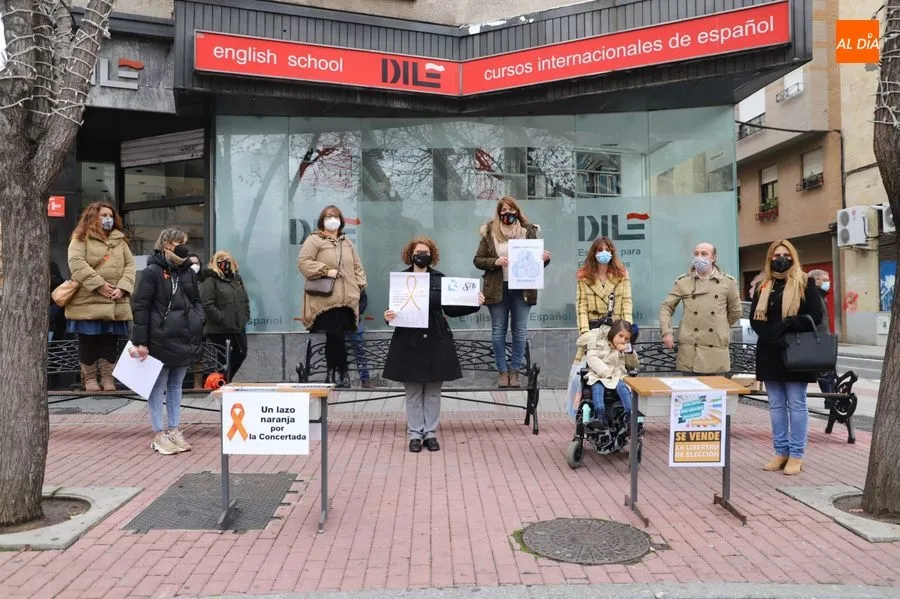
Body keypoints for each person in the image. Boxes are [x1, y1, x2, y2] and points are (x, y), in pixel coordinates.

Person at [383, 237, 484, 452]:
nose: (422, 255)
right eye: (418, 251)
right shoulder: (401, 279)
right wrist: (388, 316)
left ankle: (430, 433)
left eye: (426, 251)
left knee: (433, 391)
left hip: (436, 340)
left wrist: (474, 303)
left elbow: (451, 308)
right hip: (408, 341)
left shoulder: (439, 279)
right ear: (410, 254)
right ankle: (414, 434)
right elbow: (393, 310)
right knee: (412, 391)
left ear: (432, 255)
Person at [750, 239, 824, 476]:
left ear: (793, 256)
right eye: (775, 254)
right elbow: (754, 319)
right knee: (776, 405)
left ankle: (796, 455)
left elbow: (815, 316)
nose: (780, 258)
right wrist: (772, 336)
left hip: (795, 351)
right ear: (769, 258)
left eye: (785, 254)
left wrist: (788, 323)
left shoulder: (805, 282)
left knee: (796, 403)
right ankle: (780, 451)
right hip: (770, 350)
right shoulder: (764, 285)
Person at [131, 228, 205, 455]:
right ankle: (158, 433)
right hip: (160, 338)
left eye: (185, 242)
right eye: (178, 243)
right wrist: (140, 341)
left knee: (175, 385)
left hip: (184, 336)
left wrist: (198, 320)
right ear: (166, 245)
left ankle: (174, 430)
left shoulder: (187, 272)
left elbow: (196, 300)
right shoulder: (152, 272)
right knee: (158, 386)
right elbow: (141, 306)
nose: (183, 247)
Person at [473, 196, 551, 387]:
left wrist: (544, 259)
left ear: (517, 210)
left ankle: (515, 370)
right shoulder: (489, 232)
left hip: (523, 288)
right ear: (499, 212)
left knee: (520, 331)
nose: (508, 213)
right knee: (498, 330)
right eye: (504, 209)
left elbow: (536, 263)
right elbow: (477, 260)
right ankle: (502, 371)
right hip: (497, 288)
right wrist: (494, 262)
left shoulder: (528, 231)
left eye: (511, 209)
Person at [65, 202, 136, 392]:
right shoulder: (80, 238)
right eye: (104, 215)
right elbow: (76, 263)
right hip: (88, 299)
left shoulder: (120, 240)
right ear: (93, 216)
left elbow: (130, 266)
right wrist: (99, 285)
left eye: (110, 215)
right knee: (88, 339)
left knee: (110, 340)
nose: (108, 218)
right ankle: (89, 379)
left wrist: (123, 287)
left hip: (115, 299)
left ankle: (107, 378)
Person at [298, 205, 367, 388]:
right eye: (329, 216)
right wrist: (325, 271)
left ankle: (335, 373)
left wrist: (360, 285)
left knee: (338, 336)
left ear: (341, 220)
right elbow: (303, 263)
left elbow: (357, 266)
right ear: (322, 220)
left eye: (336, 216)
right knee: (334, 335)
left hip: (346, 299)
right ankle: (338, 373)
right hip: (326, 300)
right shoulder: (314, 240)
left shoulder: (346, 242)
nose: (332, 219)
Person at [659, 242, 742, 374]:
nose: (699, 257)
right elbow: (666, 307)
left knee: (716, 394)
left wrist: (719, 326)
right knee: (688, 393)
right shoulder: (683, 282)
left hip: (716, 350)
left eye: (704, 254)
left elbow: (736, 312)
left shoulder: (728, 282)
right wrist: (667, 332)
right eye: (696, 254)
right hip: (690, 351)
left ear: (713, 258)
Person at [576, 319, 638, 432]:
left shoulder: (625, 349)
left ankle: (630, 418)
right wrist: (605, 373)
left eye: (626, 339)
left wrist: (629, 352)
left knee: (623, 388)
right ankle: (600, 418)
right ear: (613, 333)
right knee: (597, 387)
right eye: (620, 336)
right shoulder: (600, 342)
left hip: (618, 376)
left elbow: (633, 364)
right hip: (599, 375)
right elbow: (592, 358)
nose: (623, 340)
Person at [200, 250, 251, 381]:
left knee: (242, 354)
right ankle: (222, 383)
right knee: (224, 359)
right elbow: (207, 304)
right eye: (221, 259)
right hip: (220, 329)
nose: (224, 262)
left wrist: (245, 316)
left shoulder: (236, 279)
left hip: (238, 327)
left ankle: (224, 381)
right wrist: (222, 317)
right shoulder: (210, 280)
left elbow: (244, 299)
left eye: (227, 259)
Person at [576, 236, 633, 336]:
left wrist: (627, 329)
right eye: (600, 250)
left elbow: (626, 303)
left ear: (612, 253)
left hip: (616, 329)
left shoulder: (621, 275)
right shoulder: (584, 276)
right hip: (593, 329)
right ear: (594, 253)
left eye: (607, 250)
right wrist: (585, 332)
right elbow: (581, 306)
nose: (604, 253)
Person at [808, 269, 836, 403]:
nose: (828, 283)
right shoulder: (814, 296)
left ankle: (830, 399)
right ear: (816, 281)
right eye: (825, 280)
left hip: (822, 338)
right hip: (819, 339)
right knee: (825, 372)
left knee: (828, 372)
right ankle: (830, 401)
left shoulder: (821, 295)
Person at [346, 289, 376, 388]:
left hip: (355, 319)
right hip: (339, 319)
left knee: (360, 349)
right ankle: (342, 378)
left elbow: (363, 298)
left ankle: (365, 380)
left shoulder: (356, 282)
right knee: (338, 349)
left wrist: (357, 311)